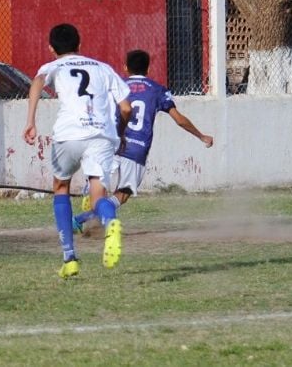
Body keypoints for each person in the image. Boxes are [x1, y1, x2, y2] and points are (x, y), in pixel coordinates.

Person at [23, 23, 132, 279]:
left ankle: (69, 258)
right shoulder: (103, 68)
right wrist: (120, 132)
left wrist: (30, 120)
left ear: (51, 48)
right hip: (101, 136)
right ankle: (110, 221)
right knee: (97, 197)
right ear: (80, 45)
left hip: (69, 134)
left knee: (61, 187)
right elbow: (126, 108)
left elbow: (37, 82)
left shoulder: (53, 67)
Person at [73, 49, 214, 233]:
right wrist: (201, 136)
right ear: (148, 69)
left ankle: (90, 193)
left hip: (111, 143)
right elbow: (179, 120)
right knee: (123, 193)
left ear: (125, 67)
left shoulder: (117, 86)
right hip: (136, 149)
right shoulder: (157, 90)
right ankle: (81, 219)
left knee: (99, 186)